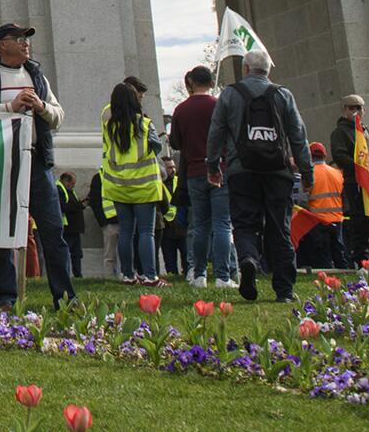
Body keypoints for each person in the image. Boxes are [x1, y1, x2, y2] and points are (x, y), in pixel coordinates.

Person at [0, 21, 77, 308]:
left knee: (52, 230)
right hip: (1, 162)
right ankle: (5, 297)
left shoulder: (36, 74)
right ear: (2, 45)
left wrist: (41, 107)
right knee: (2, 232)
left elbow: (58, 115)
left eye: (27, 38)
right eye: (19, 38)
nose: (26, 43)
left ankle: (65, 297)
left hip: (37, 162)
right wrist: (10, 108)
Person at [205, 48, 312, 303]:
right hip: (278, 171)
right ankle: (284, 290)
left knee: (244, 224)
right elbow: (298, 135)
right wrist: (307, 171)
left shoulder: (230, 94)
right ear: (268, 70)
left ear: (245, 69)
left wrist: (212, 166)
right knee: (280, 228)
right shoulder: (283, 94)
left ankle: (249, 260)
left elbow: (216, 132)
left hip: (241, 170)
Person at [168, 64, 236, 288]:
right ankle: (223, 276)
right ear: (210, 82)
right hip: (219, 170)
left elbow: (175, 142)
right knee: (222, 225)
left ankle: (198, 274)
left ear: (191, 83)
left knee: (200, 226)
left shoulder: (181, 110)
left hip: (194, 172)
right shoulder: (219, 106)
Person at [100, 80, 164, 285]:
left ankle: (127, 274)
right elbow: (156, 147)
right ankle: (150, 275)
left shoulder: (109, 126)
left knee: (126, 232)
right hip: (144, 185)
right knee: (146, 231)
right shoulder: (144, 124)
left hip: (118, 185)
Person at [330, 94, 369, 264]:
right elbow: (340, 156)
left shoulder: (365, 130)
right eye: (351, 108)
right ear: (344, 110)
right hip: (357, 182)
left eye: (359, 107)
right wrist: (361, 170)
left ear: (364, 109)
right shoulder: (340, 132)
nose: (356, 111)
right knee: (362, 221)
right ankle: (362, 259)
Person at [299, 142, 348, 269]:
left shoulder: (308, 174)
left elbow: (303, 198)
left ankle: (326, 278)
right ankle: (344, 274)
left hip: (317, 220)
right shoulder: (337, 173)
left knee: (322, 255)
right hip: (337, 219)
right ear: (325, 155)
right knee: (339, 251)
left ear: (309, 156)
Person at [58, 172, 85, 277]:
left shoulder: (70, 191)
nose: (73, 185)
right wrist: (79, 205)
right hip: (67, 228)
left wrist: (81, 205)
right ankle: (65, 275)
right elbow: (63, 206)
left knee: (77, 254)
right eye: (72, 183)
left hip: (74, 229)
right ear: (66, 181)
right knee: (66, 253)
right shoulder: (59, 189)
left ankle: (78, 274)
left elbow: (73, 205)